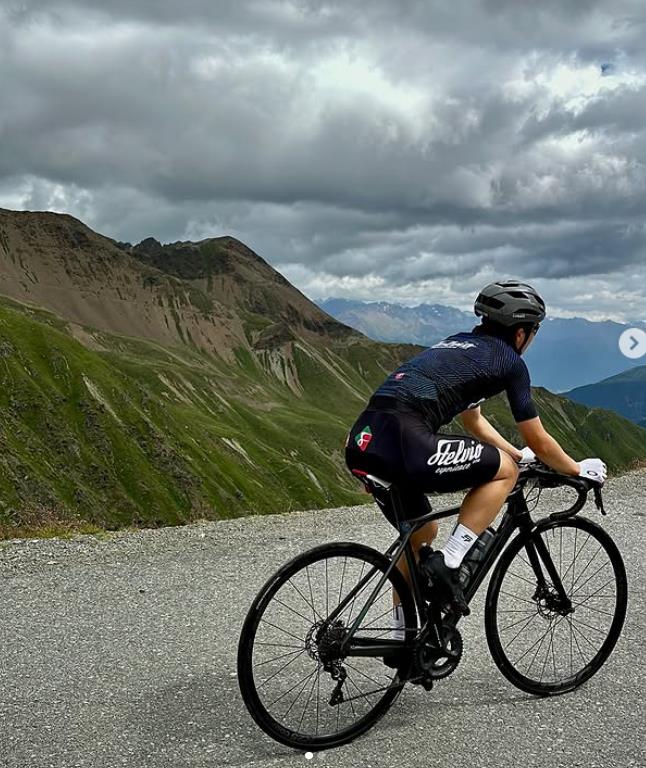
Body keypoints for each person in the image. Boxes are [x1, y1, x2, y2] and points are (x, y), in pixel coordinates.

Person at [344, 280, 607, 634]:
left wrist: (517, 453)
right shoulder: (509, 361)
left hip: (364, 441)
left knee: (421, 534)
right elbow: (539, 439)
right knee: (505, 472)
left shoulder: (457, 343)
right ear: (520, 333)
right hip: (405, 440)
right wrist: (577, 468)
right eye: (534, 332)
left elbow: (474, 420)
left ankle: (402, 638)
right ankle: (453, 561)